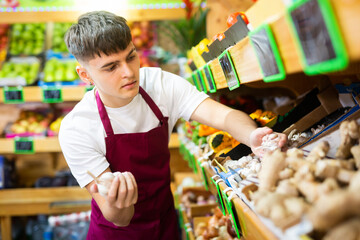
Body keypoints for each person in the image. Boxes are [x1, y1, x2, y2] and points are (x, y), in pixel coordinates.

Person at [59, 11, 287, 240]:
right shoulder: (77, 128)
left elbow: (223, 117)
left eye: (130, 57)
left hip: (167, 223)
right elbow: (119, 218)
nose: (128, 73)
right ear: (85, 75)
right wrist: (120, 203)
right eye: (111, 67)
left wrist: (252, 134)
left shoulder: (159, 84)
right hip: (116, 234)